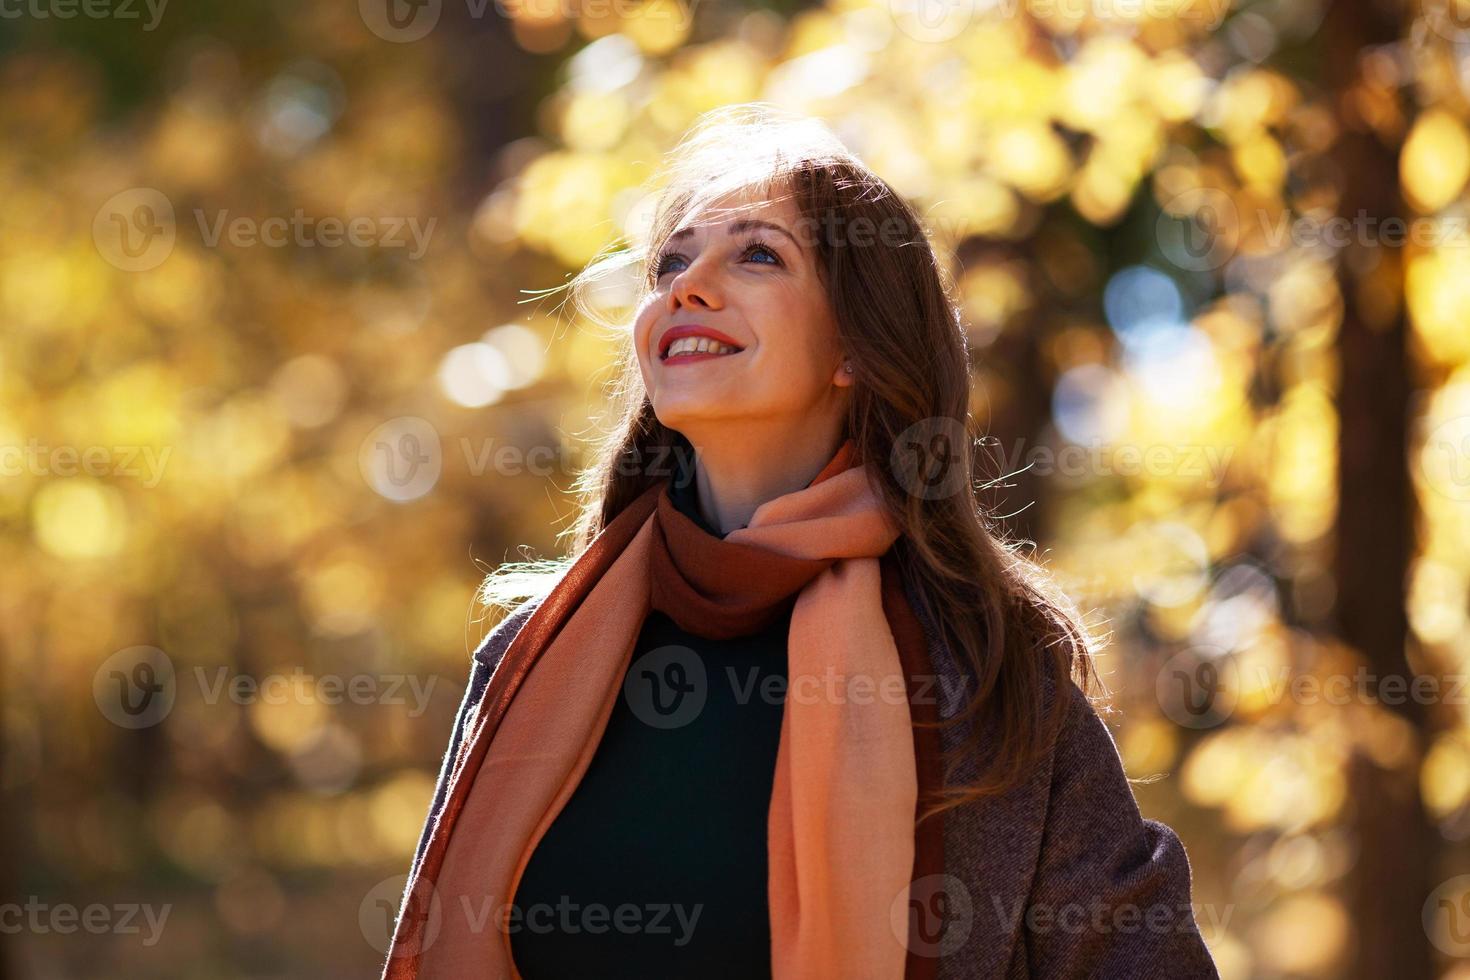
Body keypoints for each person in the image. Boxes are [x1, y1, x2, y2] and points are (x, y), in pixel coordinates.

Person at [382, 103, 1220, 979]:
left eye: (756, 255)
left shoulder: (986, 664)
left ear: (856, 347)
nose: (686, 284)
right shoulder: (528, 655)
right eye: (671, 260)